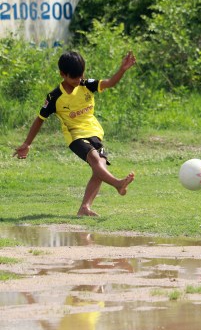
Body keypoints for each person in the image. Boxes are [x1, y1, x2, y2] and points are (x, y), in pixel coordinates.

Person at [13, 50, 136, 217]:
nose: (78, 80)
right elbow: (39, 119)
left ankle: (85, 208)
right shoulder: (54, 97)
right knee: (95, 160)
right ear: (62, 74)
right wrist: (27, 143)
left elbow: (109, 83)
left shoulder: (86, 84)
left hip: (95, 133)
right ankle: (117, 183)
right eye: (74, 78)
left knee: (100, 166)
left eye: (81, 76)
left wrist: (122, 69)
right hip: (75, 136)